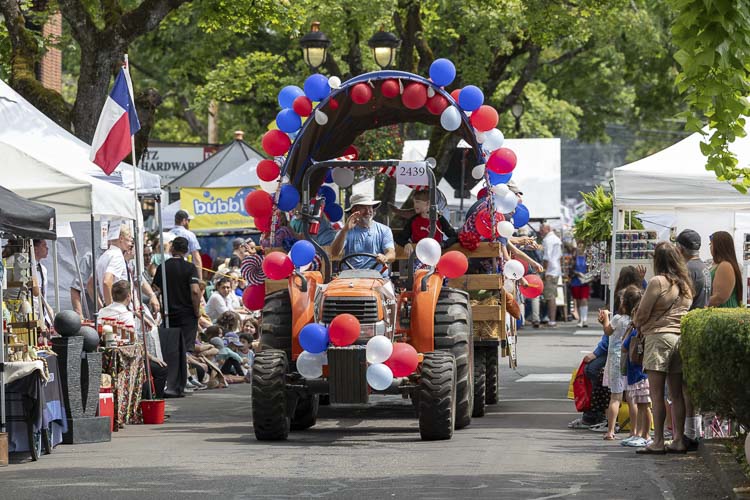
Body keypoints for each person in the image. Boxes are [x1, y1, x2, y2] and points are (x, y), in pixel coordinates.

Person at [633, 242, 692, 454]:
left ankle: (657, 441)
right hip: (679, 338)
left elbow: (641, 314)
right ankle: (678, 439)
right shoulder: (685, 284)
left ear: (657, 260)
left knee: (656, 394)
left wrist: (638, 323)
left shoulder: (658, 282)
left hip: (658, 339)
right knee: (677, 394)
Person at [97, 280, 169, 398]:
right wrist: (151, 357)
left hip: (106, 358)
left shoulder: (102, 312)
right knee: (161, 369)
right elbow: (132, 343)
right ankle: (153, 403)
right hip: (125, 359)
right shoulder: (127, 315)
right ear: (129, 296)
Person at [152, 236, 202, 398]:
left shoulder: (162, 267)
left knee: (172, 349)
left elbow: (156, 289)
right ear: (186, 251)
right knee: (186, 349)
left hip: (168, 313)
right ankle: (183, 381)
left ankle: (175, 381)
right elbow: (195, 291)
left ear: (172, 249)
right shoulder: (190, 268)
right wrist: (197, 311)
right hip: (187, 313)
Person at [675, 228, 709, 450]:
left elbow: (681, 301)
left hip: (686, 328)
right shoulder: (705, 267)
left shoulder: (686, 270)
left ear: (681, 248)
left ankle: (689, 434)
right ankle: (693, 431)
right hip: (702, 325)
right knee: (692, 386)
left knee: (685, 386)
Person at [598, 286, 641, 440]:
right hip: (630, 361)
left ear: (624, 303)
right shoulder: (636, 321)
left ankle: (610, 431)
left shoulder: (618, 319)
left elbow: (607, 331)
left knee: (615, 398)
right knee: (632, 398)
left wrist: (605, 318)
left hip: (616, 361)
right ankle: (634, 432)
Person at [331, 193, 396, 273]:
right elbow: (334, 253)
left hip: (378, 277)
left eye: (370, 207)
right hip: (350, 277)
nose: (368, 211)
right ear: (354, 210)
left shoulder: (384, 230)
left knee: (386, 285)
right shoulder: (345, 231)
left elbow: (391, 254)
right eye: (363, 208)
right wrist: (344, 230)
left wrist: (385, 257)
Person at [395, 190, 458, 257]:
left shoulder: (439, 218)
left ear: (428, 203)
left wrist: (444, 244)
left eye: (417, 202)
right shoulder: (413, 220)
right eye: (414, 202)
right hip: (418, 258)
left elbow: (454, 236)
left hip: (436, 257)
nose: (415, 205)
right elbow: (399, 238)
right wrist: (406, 243)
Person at [91, 223, 132, 306]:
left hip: (110, 306)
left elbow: (90, 284)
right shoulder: (117, 256)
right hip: (118, 308)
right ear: (121, 239)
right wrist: (111, 308)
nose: (130, 244)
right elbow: (106, 281)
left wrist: (101, 306)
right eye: (129, 239)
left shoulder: (104, 255)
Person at [708, 231, 742, 308]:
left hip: (722, 312)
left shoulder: (725, 266)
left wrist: (699, 303)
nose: (710, 247)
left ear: (719, 246)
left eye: (711, 244)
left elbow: (719, 298)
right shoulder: (719, 264)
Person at [170, 210, 203, 280]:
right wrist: (200, 279)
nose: (188, 223)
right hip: (185, 269)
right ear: (184, 220)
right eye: (188, 221)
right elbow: (196, 258)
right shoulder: (190, 235)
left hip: (170, 269)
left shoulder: (168, 234)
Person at [540, 223, 562, 327]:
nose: (540, 232)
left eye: (542, 230)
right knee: (551, 296)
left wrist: (544, 271)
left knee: (550, 296)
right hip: (555, 270)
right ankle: (550, 318)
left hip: (550, 271)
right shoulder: (556, 238)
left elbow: (546, 257)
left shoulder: (548, 240)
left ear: (548, 229)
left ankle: (552, 320)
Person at [32, 239, 54, 328]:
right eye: (44, 245)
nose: (47, 248)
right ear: (35, 249)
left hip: (43, 315)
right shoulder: (29, 268)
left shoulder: (43, 269)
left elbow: (43, 293)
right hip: (33, 315)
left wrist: (47, 308)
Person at [570, 241, 591, 327]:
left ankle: (584, 319)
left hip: (585, 281)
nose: (580, 248)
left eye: (582, 247)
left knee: (584, 299)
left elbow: (591, 268)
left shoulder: (588, 258)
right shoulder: (574, 257)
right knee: (578, 301)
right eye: (579, 247)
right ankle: (580, 319)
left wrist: (587, 276)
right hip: (576, 281)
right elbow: (570, 269)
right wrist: (577, 273)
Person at [70, 251, 95, 320]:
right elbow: (76, 288)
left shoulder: (123, 258)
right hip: (93, 318)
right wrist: (79, 316)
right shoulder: (90, 257)